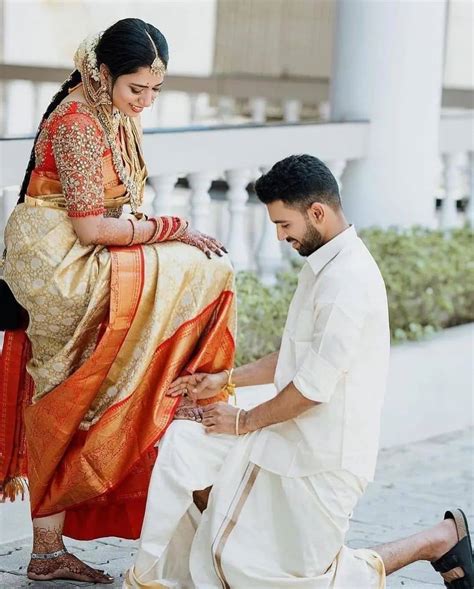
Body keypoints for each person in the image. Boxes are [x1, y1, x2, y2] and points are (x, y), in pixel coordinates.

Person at [124, 155, 473, 589]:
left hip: (323, 459)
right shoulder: (324, 266)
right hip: (288, 443)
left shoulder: (347, 282)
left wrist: (243, 421)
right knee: (186, 449)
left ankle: (437, 540)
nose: (280, 236)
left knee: (301, 582)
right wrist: (225, 380)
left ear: (318, 213)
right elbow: (295, 355)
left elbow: (312, 388)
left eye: (284, 224)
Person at [0, 18, 236, 584]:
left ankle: (176, 388)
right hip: (57, 264)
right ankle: (179, 391)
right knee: (204, 270)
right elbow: (87, 229)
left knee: (208, 268)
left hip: (90, 249)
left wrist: (162, 232)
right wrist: (171, 227)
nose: (147, 102)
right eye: (138, 89)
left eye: (156, 90)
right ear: (104, 75)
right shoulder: (81, 121)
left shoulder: (111, 109)